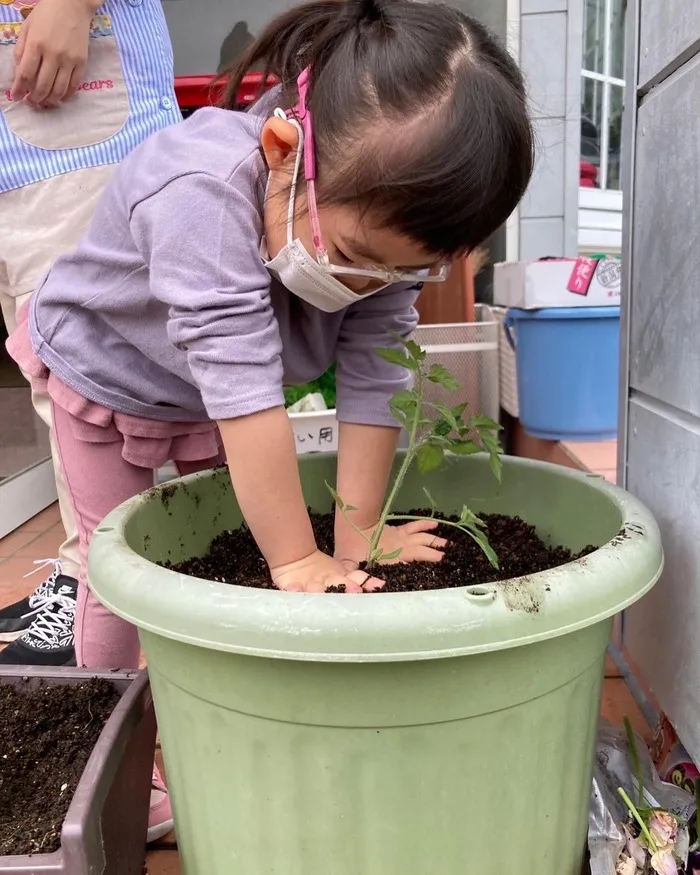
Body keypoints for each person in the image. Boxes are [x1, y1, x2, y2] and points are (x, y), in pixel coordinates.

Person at [7, 0, 533, 653]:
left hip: (200, 390)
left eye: (406, 270)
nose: (368, 284)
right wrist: (296, 560)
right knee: (113, 566)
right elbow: (242, 388)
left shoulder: (370, 221)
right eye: (355, 258)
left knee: (229, 540)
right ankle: (117, 727)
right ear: (285, 151)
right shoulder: (199, 189)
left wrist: (357, 533)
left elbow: (377, 368)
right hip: (106, 377)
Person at [0, 0, 180, 844]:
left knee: (155, 481)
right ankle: (125, 758)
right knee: (74, 416)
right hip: (23, 158)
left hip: (80, 117)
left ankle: (171, 743)